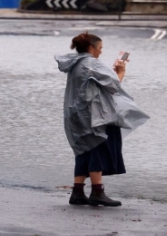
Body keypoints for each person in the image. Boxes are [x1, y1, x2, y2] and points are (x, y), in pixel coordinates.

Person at [56, 32, 149, 207]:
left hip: (75, 113)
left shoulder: (75, 63)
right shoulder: (92, 63)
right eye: (100, 48)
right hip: (94, 114)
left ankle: (77, 192)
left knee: (83, 150)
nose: (101, 52)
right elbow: (113, 87)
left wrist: (112, 74)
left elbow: (98, 84)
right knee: (98, 147)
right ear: (91, 48)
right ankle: (97, 191)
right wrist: (120, 72)